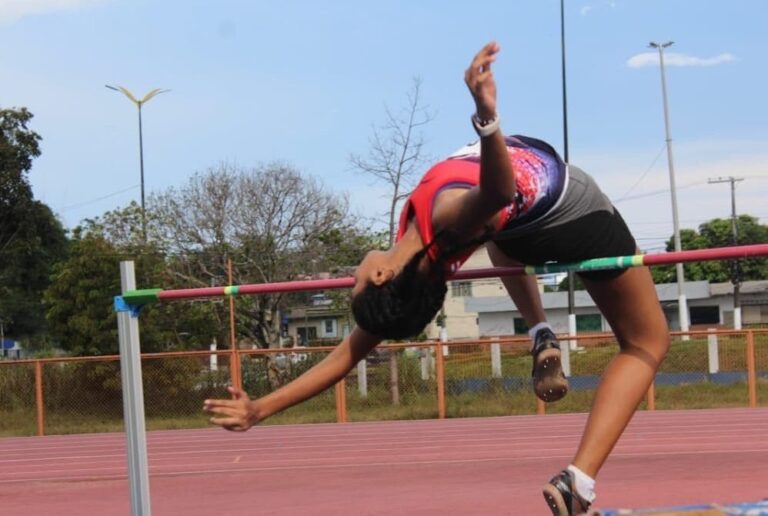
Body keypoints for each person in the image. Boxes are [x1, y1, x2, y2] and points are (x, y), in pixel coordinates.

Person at [203, 41, 670, 516]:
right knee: (647, 344)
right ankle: (579, 481)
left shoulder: (429, 265)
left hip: (526, 229)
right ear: (382, 274)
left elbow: (342, 359)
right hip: (576, 213)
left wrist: (260, 410)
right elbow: (497, 191)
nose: (352, 277)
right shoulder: (446, 221)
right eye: (356, 283)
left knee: (500, 236)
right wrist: (487, 117)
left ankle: (540, 332)